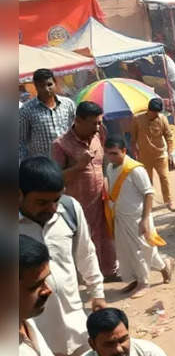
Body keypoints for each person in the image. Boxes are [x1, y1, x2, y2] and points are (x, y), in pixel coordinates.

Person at [18, 156, 106, 356]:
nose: (52, 208)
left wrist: (97, 294)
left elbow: (86, 253)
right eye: (41, 202)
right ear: (19, 194)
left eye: (56, 200)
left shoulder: (70, 210)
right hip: (37, 333)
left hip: (75, 325)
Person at [52, 100, 120, 281]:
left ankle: (110, 272)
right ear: (78, 121)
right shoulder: (61, 145)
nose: (98, 127)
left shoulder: (100, 134)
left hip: (101, 197)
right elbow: (56, 178)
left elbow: (105, 162)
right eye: (94, 123)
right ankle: (90, 279)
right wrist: (79, 166)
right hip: (78, 205)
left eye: (99, 122)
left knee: (106, 235)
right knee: (85, 242)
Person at [103, 136, 174, 298]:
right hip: (120, 217)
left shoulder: (135, 169)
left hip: (138, 218)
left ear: (124, 151)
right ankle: (158, 268)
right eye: (108, 154)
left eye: (114, 153)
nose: (110, 157)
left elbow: (148, 193)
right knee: (125, 251)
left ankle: (144, 282)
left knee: (140, 251)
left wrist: (145, 219)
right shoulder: (110, 168)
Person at [19, 68, 77, 160]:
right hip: (43, 165)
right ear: (36, 87)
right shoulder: (26, 110)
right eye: (41, 86)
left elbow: (76, 130)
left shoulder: (68, 104)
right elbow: (20, 140)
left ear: (55, 83)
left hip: (69, 160)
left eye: (49, 84)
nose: (46, 89)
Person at [131, 98, 175, 211]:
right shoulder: (137, 119)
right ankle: (148, 204)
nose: (155, 114)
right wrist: (134, 152)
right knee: (147, 181)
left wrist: (170, 153)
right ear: (149, 110)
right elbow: (133, 138)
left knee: (164, 178)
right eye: (153, 112)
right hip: (144, 156)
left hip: (160, 155)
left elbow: (169, 137)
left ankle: (169, 201)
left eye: (157, 112)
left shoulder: (162, 119)